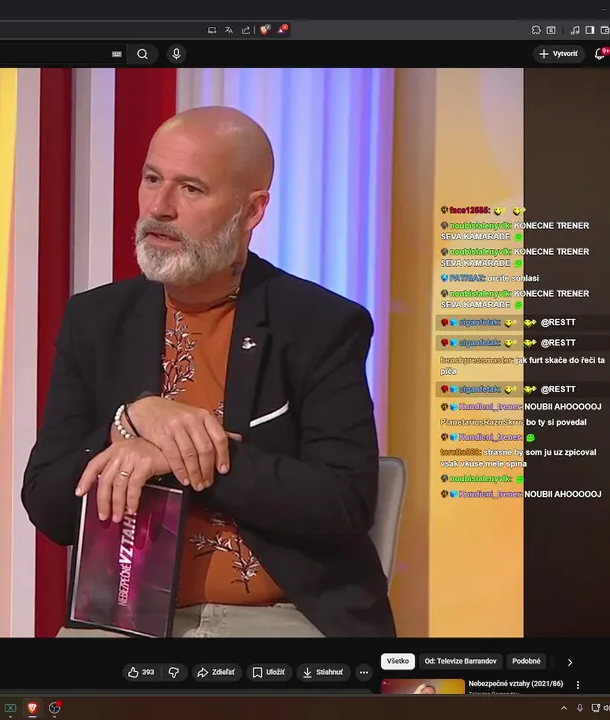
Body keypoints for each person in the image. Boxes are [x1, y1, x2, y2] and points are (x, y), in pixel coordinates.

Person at [22, 106, 396, 638]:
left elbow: (342, 504)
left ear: (252, 210)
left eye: (192, 189)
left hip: (281, 616)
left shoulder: (319, 325)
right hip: (124, 617)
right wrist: (127, 422)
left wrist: (181, 455)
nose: (160, 207)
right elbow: (48, 506)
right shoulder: (97, 320)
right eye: (152, 179)